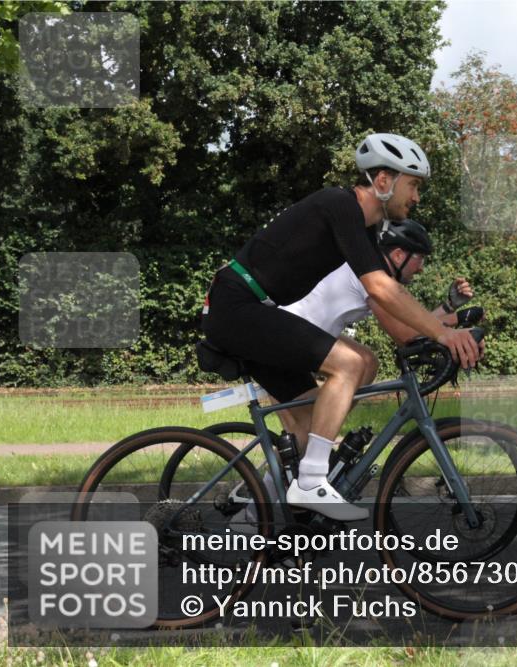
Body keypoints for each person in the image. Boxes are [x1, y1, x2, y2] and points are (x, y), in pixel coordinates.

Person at [202, 133, 482, 522]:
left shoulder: (364, 229)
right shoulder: (339, 205)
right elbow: (381, 288)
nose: (416, 198)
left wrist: (442, 323)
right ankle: (312, 480)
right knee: (350, 363)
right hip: (238, 307)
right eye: (413, 185)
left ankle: (251, 528)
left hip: (254, 310)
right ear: (383, 181)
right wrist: (444, 332)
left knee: (308, 420)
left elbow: (389, 294)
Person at [275, 217, 476, 444]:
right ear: (399, 255)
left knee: (368, 361)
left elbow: (415, 325)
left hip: (301, 335)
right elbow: (405, 336)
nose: (421, 268)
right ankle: (302, 466)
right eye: (420, 259)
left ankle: (325, 432)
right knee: (307, 431)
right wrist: (458, 319)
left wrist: (448, 307)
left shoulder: (373, 270)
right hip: (283, 336)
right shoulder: (372, 277)